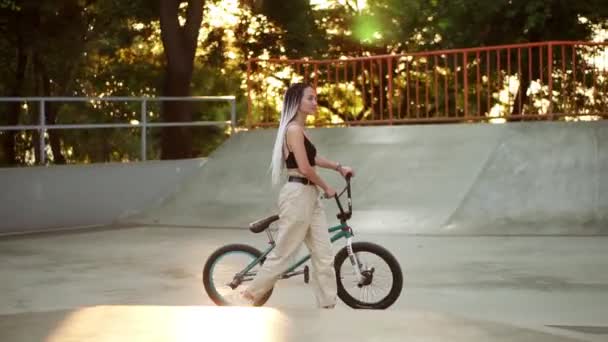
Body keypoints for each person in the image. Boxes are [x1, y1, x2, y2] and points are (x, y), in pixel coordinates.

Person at [232, 82, 354, 308]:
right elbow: (305, 168)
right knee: (284, 254)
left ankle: (327, 304)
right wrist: (327, 186)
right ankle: (247, 297)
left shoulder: (301, 131)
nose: (315, 103)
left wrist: (339, 167)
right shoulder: (293, 130)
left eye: (316, 98)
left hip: (310, 195)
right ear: (297, 102)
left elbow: (313, 159)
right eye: (310, 98)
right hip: (297, 195)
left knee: (323, 254)